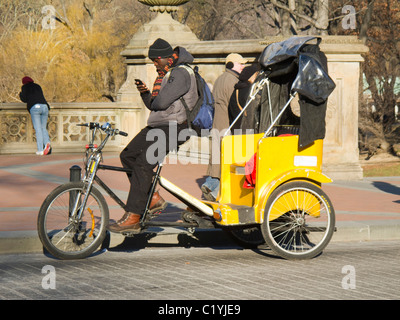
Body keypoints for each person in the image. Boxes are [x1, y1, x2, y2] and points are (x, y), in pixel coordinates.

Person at [107, 38, 198, 234]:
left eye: (156, 60)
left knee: (143, 163)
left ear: (166, 58)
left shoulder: (181, 73)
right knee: (127, 155)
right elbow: (154, 104)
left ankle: (133, 216)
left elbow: (161, 103)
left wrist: (153, 98)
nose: (155, 65)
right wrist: (145, 93)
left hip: (176, 127)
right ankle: (153, 198)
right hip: (160, 125)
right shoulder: (169, 73)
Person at [201, 53, 247, 201]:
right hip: (228, 125)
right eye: (241, 64)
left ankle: (210, 185)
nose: (243, 66)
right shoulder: (233, 81)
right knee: (226, 162)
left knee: (217, 159)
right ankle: (215, 192)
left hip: (217, 124)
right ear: (232, 64)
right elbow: (235, 107)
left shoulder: (220, 79)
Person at [19, 77, 51, 155]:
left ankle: (40, 150)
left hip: (35, 107)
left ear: (24, 82)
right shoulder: (38, 86)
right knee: (43, 128)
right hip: (45, 107)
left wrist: (20, 94)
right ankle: (47, 143)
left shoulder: (25, 87)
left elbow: (24, 99)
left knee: (38, 129)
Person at [228, 64, 260, 132]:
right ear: (250, 77)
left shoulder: (236, 90)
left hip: (236, 129)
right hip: (248, 130)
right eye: (256, 75)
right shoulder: (250, 91)